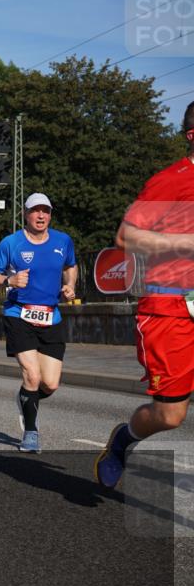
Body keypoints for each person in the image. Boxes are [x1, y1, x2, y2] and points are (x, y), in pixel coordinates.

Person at [95, 101, 194, 488]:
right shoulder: (172, 180)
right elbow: (125, 237)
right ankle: (124, 440)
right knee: (170, 415)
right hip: (170, 307)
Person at [0, 193, 77, 454]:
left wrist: (69, 286)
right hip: (18, 314)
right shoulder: (11, 243)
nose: (41, 215)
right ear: (25, 213)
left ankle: (26, 398)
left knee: (51, 384)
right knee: (32, 375)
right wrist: (7, 281)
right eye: (35, 211)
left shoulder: (62, 241)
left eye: (45, 211)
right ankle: (31, 432)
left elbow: (71, 266)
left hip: (51, 315)